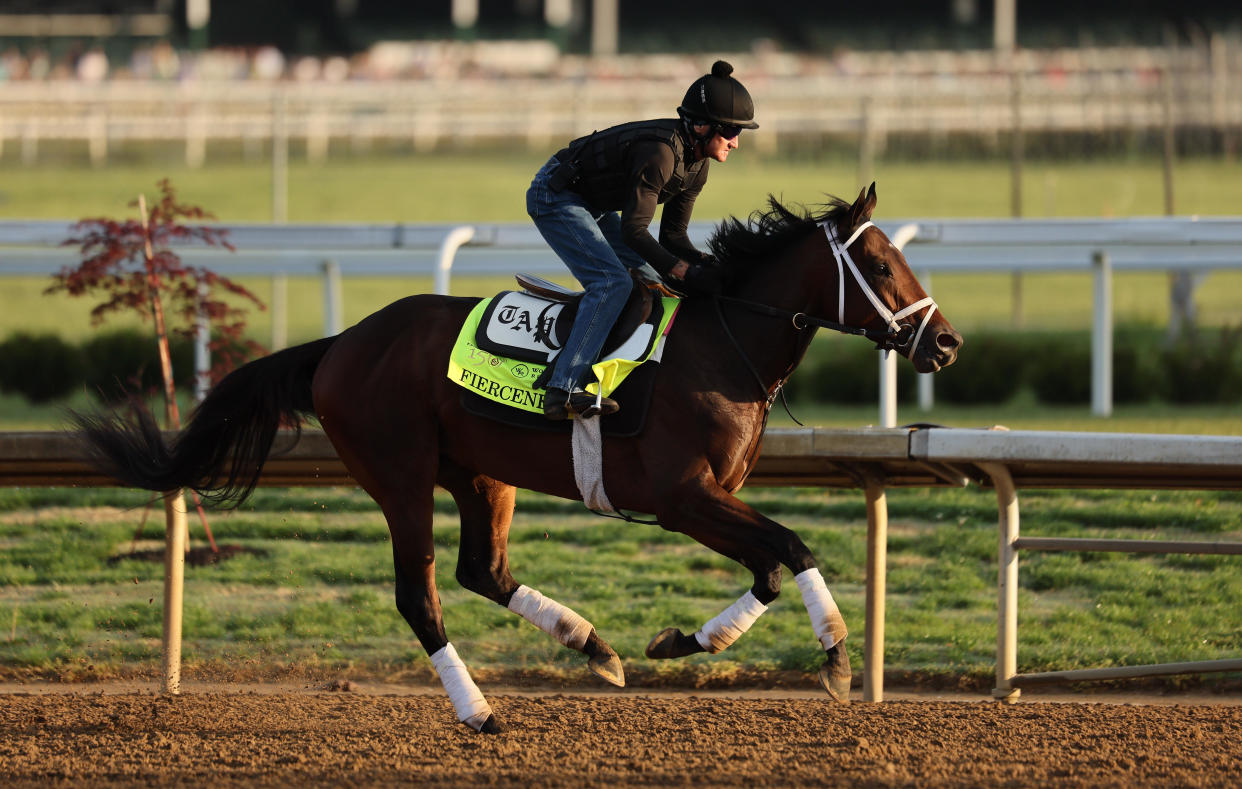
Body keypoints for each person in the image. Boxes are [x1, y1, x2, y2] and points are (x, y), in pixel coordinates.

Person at [526, 60, 759, 420]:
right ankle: (564, 387)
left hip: (592, 203)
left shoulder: (698, 165)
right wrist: (682, 269)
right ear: (701, 126)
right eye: (730, 131)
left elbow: (673, 236)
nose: (737, 142)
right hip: (555, 195)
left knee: (653, 277)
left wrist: (705, 264)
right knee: (611, 283)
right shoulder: (661, 154)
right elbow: (633, 231)